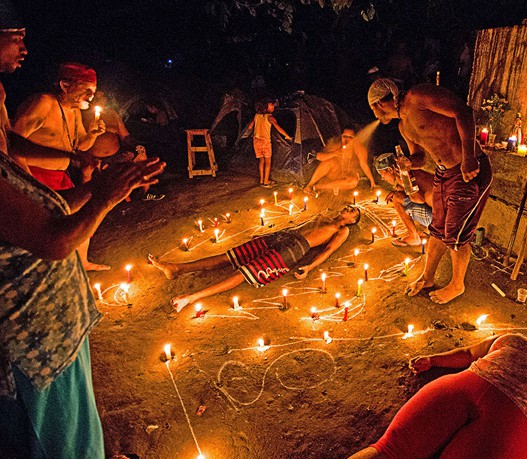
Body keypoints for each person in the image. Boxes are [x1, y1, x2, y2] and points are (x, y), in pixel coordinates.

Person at [0, 8, 167, 458]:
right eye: (15, 36)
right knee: (55, 441)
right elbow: (51, 238)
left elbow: (61, 153)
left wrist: (97, 174)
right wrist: (102, 195)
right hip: (31, 350)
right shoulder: (37, 105)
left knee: (77, 432)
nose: (24, 46)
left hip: (56, 335)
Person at [350, 331, 527, 459]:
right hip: (464, 387)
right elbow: (470, 353)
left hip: (517, 421)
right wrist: (433, 359)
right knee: (390, 449)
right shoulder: (514, 338)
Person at [368, 78, 492, 304]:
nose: (375, 115)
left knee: (456, 233)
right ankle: (427, 277)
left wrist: (469, 157)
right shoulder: (403, 126)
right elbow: (421, 157)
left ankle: (457, 285)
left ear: (380, 103)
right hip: (444, 174)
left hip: (468, 171)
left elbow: (462, 112)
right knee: (437, 229)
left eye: (374, 108)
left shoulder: (418, 97)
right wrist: (408, 163)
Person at [149, 206, 361, 312]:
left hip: (293, 250)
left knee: (243, 273)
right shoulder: (324, 216)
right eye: (349, 207)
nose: (347, 209)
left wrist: (309, 267)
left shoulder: (342, 230)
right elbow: (297, 227)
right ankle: (177, 268)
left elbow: (328, 251)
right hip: (281, 237)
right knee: (229, 257)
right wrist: (269, 235)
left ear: (352, 220)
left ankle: (191, 297)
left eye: (352, 211)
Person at [13, 62, 111, 271]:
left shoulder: (73, 111)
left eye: (92, 91)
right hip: (35, 175)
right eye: (86, 90)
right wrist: (27, 181)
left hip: (60, 175)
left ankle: (83, 262)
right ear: (66, 85)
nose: (91, 96)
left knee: (85, 213)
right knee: (50, 228)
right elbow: (13, 143)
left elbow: (79, 146)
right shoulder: (43, 103)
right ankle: (48, 270)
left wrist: (92, 134)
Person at [374, 152, 433, 247]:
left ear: (390, 169)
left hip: (442, 221)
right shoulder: (409, 171)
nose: (382, 178)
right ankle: (429, 229)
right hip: (449, 213)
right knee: (399, 195)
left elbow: (419, 199)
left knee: (397, 198)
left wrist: (398, 193)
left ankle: (414, 237)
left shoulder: (404, 175)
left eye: (382, 174)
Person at [304, 126, 377, 194]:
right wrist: (334, 153)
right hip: (333, 174)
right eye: (345, 136)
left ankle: (319, 187)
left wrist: (372, 181)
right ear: (341, 136)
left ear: (355, 138)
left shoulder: (359, 149)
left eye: (350, 137)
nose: (347, 139)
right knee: (329, 161)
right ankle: (310, 185)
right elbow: (319, 157)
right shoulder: (337, 145)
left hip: (347, 176)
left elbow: (363, 164)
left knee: (354, 181)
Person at [245, 99, 291, 187]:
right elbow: (278, 128)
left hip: (256, 141)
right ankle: (266, 181)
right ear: (266, 106)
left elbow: (250, 127)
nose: (273, 107)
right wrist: (287, 136)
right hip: (265, 142)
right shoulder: (270, 117)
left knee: (261, 160)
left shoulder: (256, 115)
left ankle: (262, 180)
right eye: (271, 105)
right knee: (268, 161)